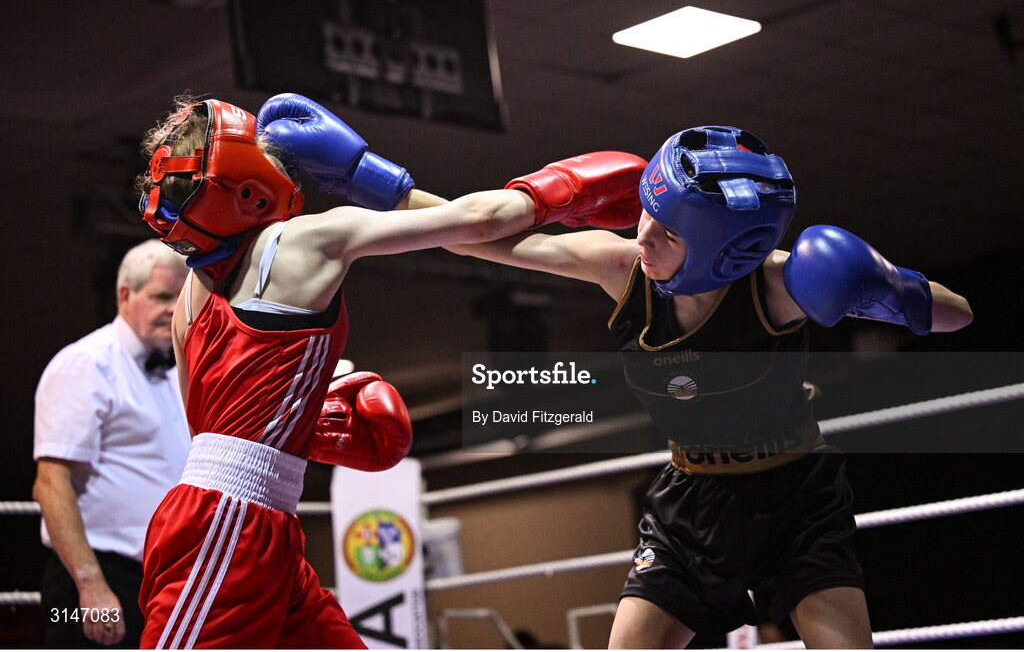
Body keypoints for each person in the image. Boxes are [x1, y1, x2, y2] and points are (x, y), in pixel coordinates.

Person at [410, 126, 974, 648]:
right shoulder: (624, 268)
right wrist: (366, 177)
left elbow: (960, 314)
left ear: (728, 250)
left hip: (797, 502)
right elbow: (471, 237)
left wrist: (886, 289)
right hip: (692, 501)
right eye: (648, 215)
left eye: (669, 231)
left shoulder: (779, 286)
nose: (644, 237)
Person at [134, 92, 636, 648]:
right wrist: (567, 188)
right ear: (248, 187)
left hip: (254, 521)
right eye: (261, 145)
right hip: (225, 528)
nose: (280, 153)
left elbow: (207, 426)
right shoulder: (303, 238)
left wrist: (300, 421)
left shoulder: (189, 296)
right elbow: (479, 219)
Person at [33, 239, 191, 648]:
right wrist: (91, 586)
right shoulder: (87, 364)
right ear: (125, 294)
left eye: (180, 296)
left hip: (161, 581)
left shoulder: (176, 373)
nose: (174, 309)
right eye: (161, 296)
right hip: (94, 577)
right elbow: (50, 483)